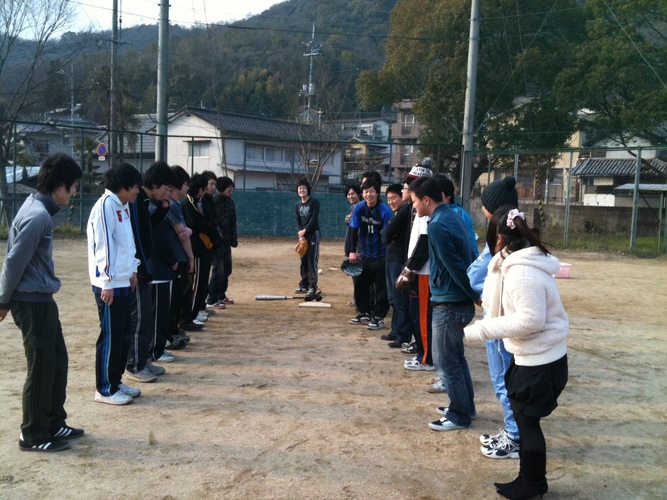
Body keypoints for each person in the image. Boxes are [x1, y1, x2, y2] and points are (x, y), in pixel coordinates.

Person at [464, 206, 568, 499]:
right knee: (525, 420)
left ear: (498, 238)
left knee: (527, 424)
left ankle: (533, 482)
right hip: (533, 357)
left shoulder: (522, 272)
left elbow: (530, 320)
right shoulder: (514, 262)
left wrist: (480, 330)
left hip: (540, 362)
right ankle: (529, 479)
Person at [0, 153, 83, 452]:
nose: (74, 193)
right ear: (59, 186)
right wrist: (3, 300)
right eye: (73, 186)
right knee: (41, 367)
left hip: (41, 299)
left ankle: (53, 422)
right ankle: (33, 435)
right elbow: (14, 261)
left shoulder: (38, 209)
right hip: (31, 301)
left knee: (57, 361)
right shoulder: (38, 216)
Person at [408, 177, 479, 431]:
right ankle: (465, 407)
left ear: (426, 200)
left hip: (450, 304)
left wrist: (473, 294)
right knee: (456, 358)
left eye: (414, 201)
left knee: (446, 361)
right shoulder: (452, 216)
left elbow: (455, 266)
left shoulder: (438, 225)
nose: (413, 206)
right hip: (454, 301)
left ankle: (459, 415)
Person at [467, 176, 522, 460]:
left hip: (499, 319)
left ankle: (515, 436)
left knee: (503, 380)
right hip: (504, 317)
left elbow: (473, 275)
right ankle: (512, 430)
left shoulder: (499, 238)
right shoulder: (516, 233)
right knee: (507, 378)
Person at [87, 163, 143, 405]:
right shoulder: (105, 206)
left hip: (123, 280)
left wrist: (133, 269)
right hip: (108, 284)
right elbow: (104, 247)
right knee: (111, 335)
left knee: (123, 334)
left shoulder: (123, 206)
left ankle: (116, 381)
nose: (138, 191)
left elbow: (128, 242)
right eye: (135, 187)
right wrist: (107, 282)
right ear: (123, 186)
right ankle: (104, 389)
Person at [125, 161, 174, 384]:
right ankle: (135, 365)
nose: (167, 192)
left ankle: (144, 360)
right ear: (154, 184)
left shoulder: (145, 202)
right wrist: (141, 268)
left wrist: (161, 213)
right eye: (165, 187)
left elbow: (146, 232)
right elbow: (135, 239)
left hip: (144, 268)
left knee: (145, 317)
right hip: (138, 269)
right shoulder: (136, 202)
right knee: (139, 318)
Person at [398, 164, 435, 373]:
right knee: (415, 314)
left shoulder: (426, 210)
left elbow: (425, 243)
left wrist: (410, 269)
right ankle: (422, 352)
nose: (408, 186)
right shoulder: (416, 207)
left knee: (422, 316)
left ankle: (427, 358)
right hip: (417, 270)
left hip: (423, 272)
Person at [347, 179, 393, 330]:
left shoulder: (384, 211)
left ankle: (379, 317)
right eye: (365, 192)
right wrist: (352, 251)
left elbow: (388, 235)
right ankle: (364, 313)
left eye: (371, 191)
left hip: (381, 255)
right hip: (365, 254)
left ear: (377, 193)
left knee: (381, 288)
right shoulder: (359, 208)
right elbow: (354, 229)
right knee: (360, 284)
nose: (368, 195)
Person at [181, 173, 220, 330]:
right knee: (197, 283)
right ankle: (191, 315)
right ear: (199, 189)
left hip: (204, 247)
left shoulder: (200, 201)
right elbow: (197, 222)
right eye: (205, 188)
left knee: (202, 281)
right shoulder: (188, 202)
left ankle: (196, 311)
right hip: (196, 248)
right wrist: (212, 231)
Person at [166, 166, 196, 344]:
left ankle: (174, 330)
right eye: (185, 184)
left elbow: (185, 231)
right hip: (178, 257)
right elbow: (182, 234)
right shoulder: (172, 206)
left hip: (180, 256)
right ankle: (171, 333)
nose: (188, 187)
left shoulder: (175, 204)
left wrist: (189, 230)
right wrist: (191, 258)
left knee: (178, 297)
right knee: (175, 299)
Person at [380, 183, 412, 347]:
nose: (391, 202)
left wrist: (388, 235)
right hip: (390, 258)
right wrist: (387, 235)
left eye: (394, 198)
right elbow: (385, 235)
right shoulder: (397, 213)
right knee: (393, 298)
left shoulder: (405, 211)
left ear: (402, 196)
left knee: (399, 299)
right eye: (389, 199)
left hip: (398, 260)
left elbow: (386, 234)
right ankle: (395, 330)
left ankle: (403, 335)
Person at [207, 176, 238, 308]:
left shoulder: (230, 202)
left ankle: (221, 295)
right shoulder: (214, 201)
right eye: (229, 187)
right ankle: (211, 299)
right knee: (218, 270)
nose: (231, 190)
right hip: (218, 241)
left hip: (226, 240)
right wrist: (217, 237)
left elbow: (233, 221)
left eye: (232, 187)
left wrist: (233, 238)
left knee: (227, 268)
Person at [294, 178, 321, 300]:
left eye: (304, 188)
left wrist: (304, 231)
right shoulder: (297, 205)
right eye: (300, 188)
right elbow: (298, 221)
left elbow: (314, 219)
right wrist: (300, 234)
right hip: (303, 235)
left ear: (308, 190)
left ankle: (312, 286)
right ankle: (304, 284)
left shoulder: (314, 202)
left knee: (311, 260)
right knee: (303, 260)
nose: (302, 190)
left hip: (313, 233)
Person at [343, 183, 361, 308]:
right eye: (348, 194)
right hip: (351, 246)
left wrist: (355, 249)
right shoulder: (352, 208)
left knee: (358, 274)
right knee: (355, 274)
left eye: (353, 193)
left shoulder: (361, 207)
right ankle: (357, 298)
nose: (351, 196)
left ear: (358, 193)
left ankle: (359, 300)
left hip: (358, 247)